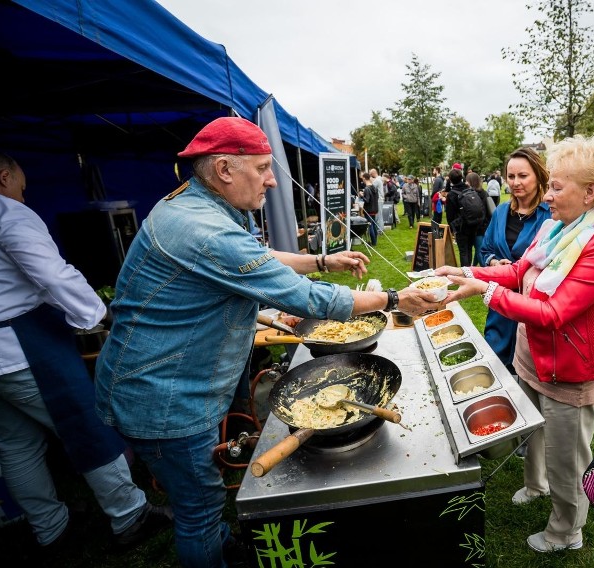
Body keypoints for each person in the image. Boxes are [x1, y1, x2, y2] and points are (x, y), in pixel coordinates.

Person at [93, 117, 442, 568]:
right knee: (198, 510)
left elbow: (253, 257)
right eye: (262, 168)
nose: (274, 179)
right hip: (162, 397)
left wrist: (320, 258)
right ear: (224, 169)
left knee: (202, 497)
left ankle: (220, 543)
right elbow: (308, 296)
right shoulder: (204, 228)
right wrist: (394, 297)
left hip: (166, 385)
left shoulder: (198, 209)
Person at [437, 134, 594, 554]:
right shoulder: (557, 226)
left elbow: (555, 313)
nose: (548, 194)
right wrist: (464, 270)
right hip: (532, 355)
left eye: (557, 186)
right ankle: (535, 484)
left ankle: (566, 531)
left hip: (568, 369)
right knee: (533, 432)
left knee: (568, 458)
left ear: (590, 192)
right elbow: (517, 270)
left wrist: (482, 293)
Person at [0, 152, 172, 560]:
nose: (25, 190)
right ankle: (131, 517)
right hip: (22, 344)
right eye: (22, 181)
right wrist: (103, 315)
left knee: (16, 443)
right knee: (87, 426)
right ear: (5, 176)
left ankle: (50, 528)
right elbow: (52, 274)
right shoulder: (10, 214)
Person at [478, 147, 552, 373]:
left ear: (538, 176)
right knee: (495, 365)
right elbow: (485, 248)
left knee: (526, 370)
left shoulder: (550, 214)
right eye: (511, 176)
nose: (516, 182)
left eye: (523, 175)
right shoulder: (501, 212)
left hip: (532, 306)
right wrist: (493, 263)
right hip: (499, 306)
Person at [445, 168, 486, 266]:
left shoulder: (451, 194)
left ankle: (466, 274)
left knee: (463, 251)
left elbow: (449, 215)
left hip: (461, 226)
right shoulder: (469, 189)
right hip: (473, 223)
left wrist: (452, 229)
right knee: (469, 248)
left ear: (450, 180)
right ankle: (469, 271)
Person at [466, 172, 491, 266]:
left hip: (477, 227)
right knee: (480, 247)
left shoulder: (471, 195)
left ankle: (486, 270)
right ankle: (474, 265)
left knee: (480, 250)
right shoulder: (484, 193)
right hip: (486, 225)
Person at [359, 173, 380, 245]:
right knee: (374, 225)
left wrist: (362, 195)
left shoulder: (367, 189)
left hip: (369, 210)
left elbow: (367, 200)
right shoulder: (374, 187)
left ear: (364, 178)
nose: (362, 180)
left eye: (362, 179)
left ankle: (373, 242)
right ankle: (375, 242)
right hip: (375, 209)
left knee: (370, 225)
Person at [369, 168, 384, 233]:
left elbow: (371, 188)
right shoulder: (379, 179)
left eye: (370, 174)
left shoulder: (377, 180)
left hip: (378, 200)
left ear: (373, 173)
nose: (370, 176)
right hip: (381, 199)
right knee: (380, 215)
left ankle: (379, 230)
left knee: (378, 216)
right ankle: (380, 229)